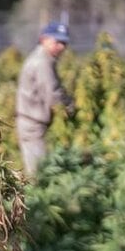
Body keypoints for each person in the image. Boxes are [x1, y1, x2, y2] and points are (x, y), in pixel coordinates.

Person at [15, 21, 74, 176]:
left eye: (64, 43)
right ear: (44, 39)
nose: (61, 47)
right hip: (33, 125)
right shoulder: (42, 62)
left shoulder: (43, 58)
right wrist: (70, 109)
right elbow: (53, 94)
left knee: (40, 169)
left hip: (34, 122)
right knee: (40, 173)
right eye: (57, 42)